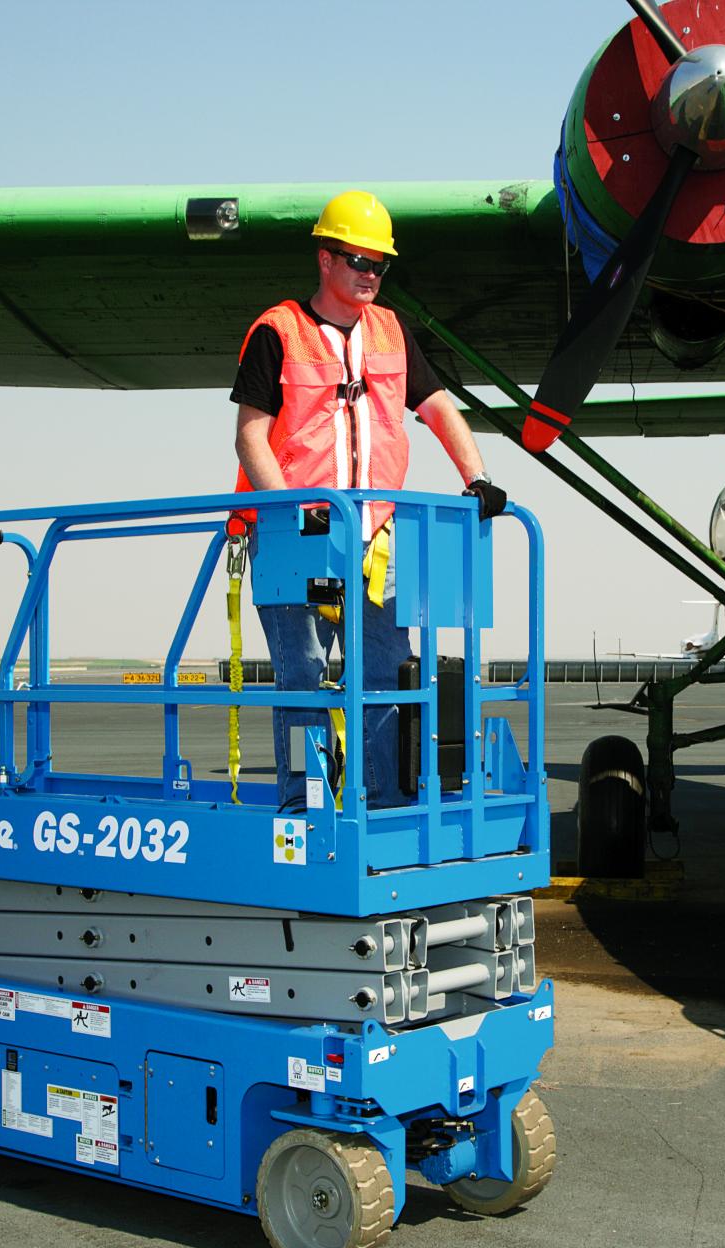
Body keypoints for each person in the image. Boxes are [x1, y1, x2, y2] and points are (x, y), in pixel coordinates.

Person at [229, 189, 506, 811]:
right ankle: (303, 805)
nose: (371, 274)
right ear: (325, 260)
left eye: (380, 264)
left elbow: (436, 406)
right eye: (359, 260)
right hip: (293, 535)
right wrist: (290, 514)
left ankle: (381, 803)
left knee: (386, 672)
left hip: (371, 539)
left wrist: (478, 476)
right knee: (304, 678)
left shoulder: (391, 331)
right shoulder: (279, 332)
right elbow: (251, 436)